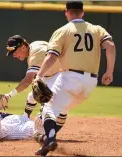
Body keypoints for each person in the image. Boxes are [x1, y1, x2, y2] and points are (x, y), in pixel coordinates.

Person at [33, 1, 116, 156]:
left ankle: (50, 139)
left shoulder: (63, 31)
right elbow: (110, 45)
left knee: (48, 107)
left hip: (70, 78)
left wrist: (39, 76)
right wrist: (109, 72)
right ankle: (47, 140)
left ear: (67, 12)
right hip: (91, 83)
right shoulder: (97, 29)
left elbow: (51, 56)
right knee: (62, 109)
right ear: (82, 12)